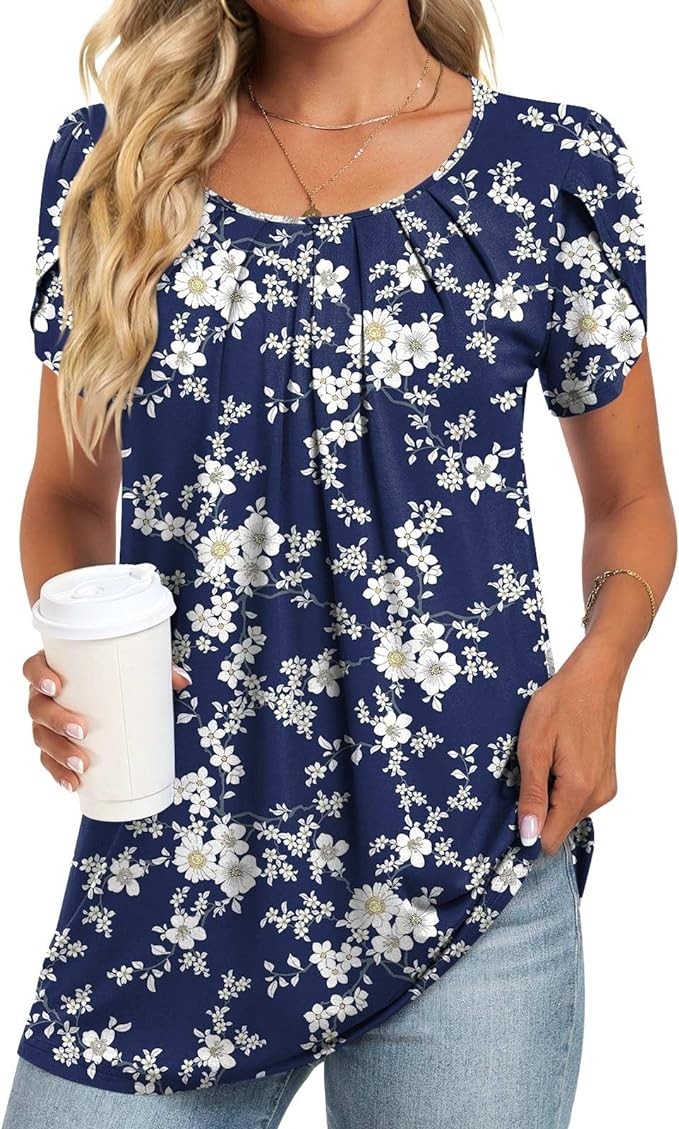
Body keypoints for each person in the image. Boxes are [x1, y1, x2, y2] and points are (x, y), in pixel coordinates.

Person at [2, 1, 675, 1127]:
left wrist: (599, 669)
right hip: (177, 868)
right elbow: (68, 496)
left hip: (468, 854)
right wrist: (77, 645)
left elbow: (630, 501)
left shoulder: (548, 167)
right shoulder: (118, 163)